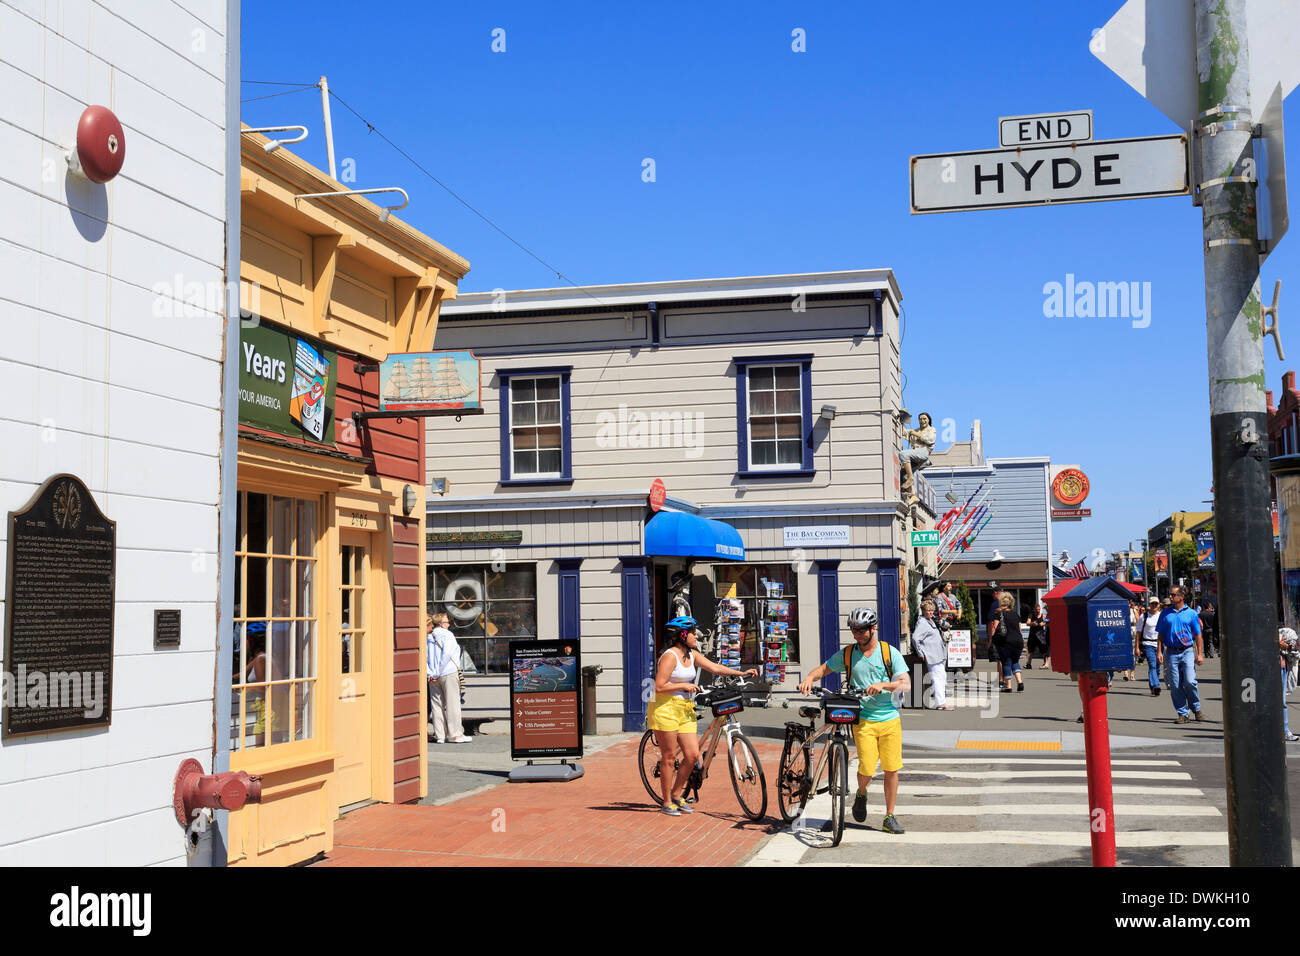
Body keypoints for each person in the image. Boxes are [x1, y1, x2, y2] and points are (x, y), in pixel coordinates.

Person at [798, 606, 911, 834]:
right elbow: (824, 669)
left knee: (891, 769)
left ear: (873, 628)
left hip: (889, 719)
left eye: (862, 630)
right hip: (863, 720)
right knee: (867, 769)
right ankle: (861, 793)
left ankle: (889, 816)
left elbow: (906, 684)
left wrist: (884, 685)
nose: (858, 634)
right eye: (854, 630)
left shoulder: (890, 653)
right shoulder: (848, 654)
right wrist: (810, 677)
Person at [646, 616, 757, 815]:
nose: (696, 636)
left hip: (685, 708)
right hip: (665, 709)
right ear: (682, 635)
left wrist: (740, 673)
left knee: (692, 755)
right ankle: (666, 802)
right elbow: (660, 686)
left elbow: (715, 668)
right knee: (669, 757)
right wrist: (684, 685)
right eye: (693, 632)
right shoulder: (670, 656)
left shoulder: (692, 654)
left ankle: (677, 795)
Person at [1156, 586, 1204, 723]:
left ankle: (1196, 707)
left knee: (1190, 681)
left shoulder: (1191, 613)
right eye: (1170, 594)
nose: (1170, 597)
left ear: (1181, 597)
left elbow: (1198, 635)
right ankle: (1183, 713)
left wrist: (1200, 654)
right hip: (1171, 651)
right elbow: (1160, 634)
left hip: (1187, 650)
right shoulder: (1165, 613)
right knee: (1175, 684)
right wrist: (1159, 651)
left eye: (1173, 595)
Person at [428, 613, 471, 744]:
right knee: (453, 704)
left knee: (437, 705)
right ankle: (455, 734)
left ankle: (440, 735)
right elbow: (447, 654)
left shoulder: (428, 636)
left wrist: (431, 673)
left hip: (432, 676)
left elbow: (424, 658)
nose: (449, 624)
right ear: (441, 623)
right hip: (448, 672)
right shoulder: (448, 635)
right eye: (446, 622)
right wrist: (439, 671)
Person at [912, 600, 952, 710]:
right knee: (938, 678)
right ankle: (941, 703)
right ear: (923, 611)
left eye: (932, 611)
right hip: (931, 655)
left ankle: (940, 701)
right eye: (928, 611)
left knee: (941, 677)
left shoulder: (930, 621)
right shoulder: (923, 623)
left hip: (937, 655)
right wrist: (920, 653)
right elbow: (915, 638)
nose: (930, 613)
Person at [991, 592, 1024, 692]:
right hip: (1018, 641)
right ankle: (1020, 682)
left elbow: (995, 628)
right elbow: (1019, 629)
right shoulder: (1016, 614)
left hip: (1005, 642)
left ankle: (1008, 686)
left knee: (1006, 662)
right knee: (1015, 661)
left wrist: (992, 639)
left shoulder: (999, 614)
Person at [1134, 596, 1164, 697]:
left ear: (1159, 605)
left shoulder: (1161, 616)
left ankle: (1152, 687)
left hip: (1159, 644)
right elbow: (1138, 633)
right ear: (1149, 605)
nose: (1154, 605)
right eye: (1152, 604)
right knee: (1152, 665)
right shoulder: (1144, 616)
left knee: (1158, 667)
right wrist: (1136, 647)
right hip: (1148, 644)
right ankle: (1156, 686)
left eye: (1156, 604)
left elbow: (1164, 632)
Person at [1280, 627, 1299, 742]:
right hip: (1271, 670)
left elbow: (1293, 649)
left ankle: (1285, 730)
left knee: (1282, 702)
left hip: (1282, 669)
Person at [1024, 604, 1048, 669]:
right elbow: (1027, 623)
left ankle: (1045, 663)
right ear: (1034, 609)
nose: (1038, 611)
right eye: (1037, 610)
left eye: (1039, 609)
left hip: (1040, 635)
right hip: (1032, 635)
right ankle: (1028, 664)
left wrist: (1043, 624)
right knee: (1030, 650)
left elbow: (1047, 622)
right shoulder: (1031, 615)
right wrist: (1032, 623)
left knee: (1043, 649)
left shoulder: (1043, 615)